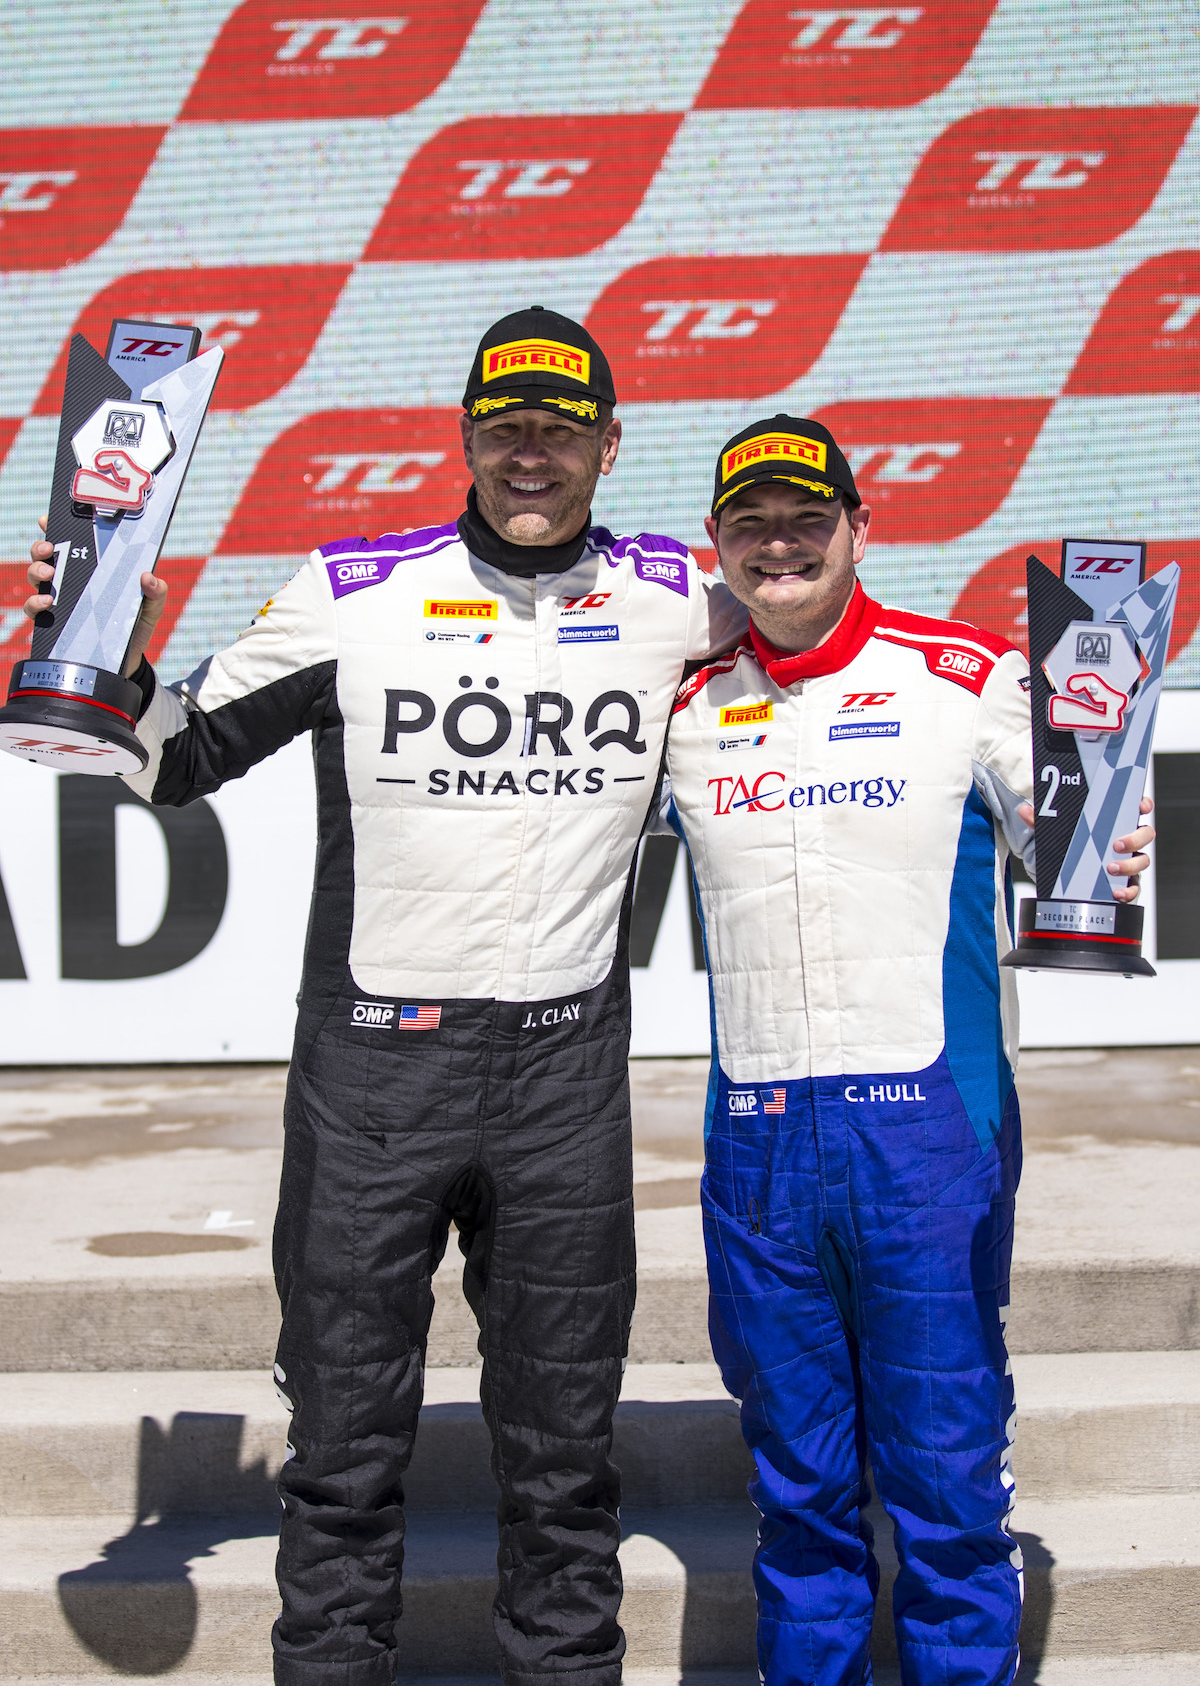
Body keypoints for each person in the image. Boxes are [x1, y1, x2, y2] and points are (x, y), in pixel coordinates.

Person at [24, 307, 745, 1686]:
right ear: (466, 437)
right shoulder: (353, 590)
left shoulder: (675, 600)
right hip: (373, 1077)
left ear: (608, 441)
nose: (528, 454)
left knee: (563, 1463)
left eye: (557, 428)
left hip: (563, 1082)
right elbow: (183, 760)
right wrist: (103, 669)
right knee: (344, 1455)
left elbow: (825, 665)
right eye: (502, 426)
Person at [664, 415, 1154, 1686]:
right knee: (800, 1488)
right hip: (759, 1138)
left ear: (859, 528)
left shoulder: (968, 672)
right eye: (752, 523)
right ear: (718, 543)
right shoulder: (681, 706)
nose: (780, 545)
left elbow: (1071, 842)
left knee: (945, 1486)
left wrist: (1108, 837)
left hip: (925, 1131)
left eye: (806, 519)